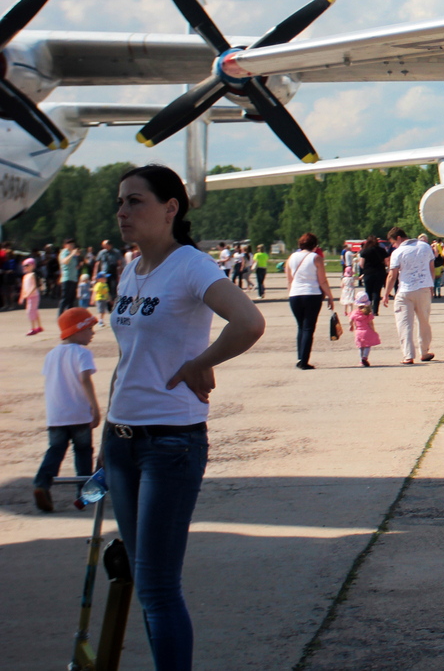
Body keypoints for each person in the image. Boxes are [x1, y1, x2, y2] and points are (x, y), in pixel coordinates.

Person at [104, 164, 265, 670]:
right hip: (120, 439)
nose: (123, 212)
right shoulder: (131, 269)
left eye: (136, 201)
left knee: (156, 586)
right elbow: (127, 358)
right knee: (140, 577)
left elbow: (249, 321)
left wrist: (202, 362)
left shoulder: (190, 265)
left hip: (169, 443)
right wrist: (103, 438)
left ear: (171, 208)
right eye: (121, 202)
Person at [33, 306, 102, 512]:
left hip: (56, 415)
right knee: (82, 451)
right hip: (79, 414)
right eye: (89, 329)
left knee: (55, 451)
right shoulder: (82, 353)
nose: (92, 333)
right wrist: (95, 408)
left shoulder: (52, 354)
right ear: (77, 330)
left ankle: (41, 484)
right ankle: (84, 493)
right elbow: (84, 380)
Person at [384, 227, 437, 365]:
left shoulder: (397, 252)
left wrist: (385, 294)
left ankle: (408, 355)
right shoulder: (425, 247)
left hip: (405, 291)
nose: (393, 246)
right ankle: (424, 351)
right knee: (424, 322)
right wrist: (431, 285)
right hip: (424, 288)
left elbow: (392, 275)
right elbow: (432, 267)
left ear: (399, 239)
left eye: (393, 243)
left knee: (404, 324)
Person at [285, 233, 334, 371]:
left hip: (295, 295)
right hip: (312, 294)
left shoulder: (291, 257)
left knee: (301, 326)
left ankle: (300, 357)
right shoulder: (316, 258)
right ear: (314, 245)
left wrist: (291, 292)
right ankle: (304, 361)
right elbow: (322, 280)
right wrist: (330, 296)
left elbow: (289, 279)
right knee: (308, 328)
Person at [349, 291, 381, 366]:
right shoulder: (368, 313)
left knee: (360, 347)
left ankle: (361, 361)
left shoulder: (354, 312)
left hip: (358, 332)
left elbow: (351, 320)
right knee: (367, 345)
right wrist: (373, 330)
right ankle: (365, 357)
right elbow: (370, 323)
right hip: (367, 331)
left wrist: (351, 326)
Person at [358, 236, 387, 316]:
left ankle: (368, 310)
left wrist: (366, 269)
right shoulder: (382, 250)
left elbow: (361, 264)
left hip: (368, 273)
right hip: (380, 273)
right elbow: (386, 262)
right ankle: (375, 311)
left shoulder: (365, 251)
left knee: (368, 292)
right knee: (377, 292)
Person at [56, 239, 80, 315]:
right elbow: (65, 261)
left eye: (73, 244)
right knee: (65, 299)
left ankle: (70, 317)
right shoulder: (64, 252)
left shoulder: (71, 253)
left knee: (71, 300)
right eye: (71, 244)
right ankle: (60, 316)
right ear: (66, 245)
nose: (72, 246)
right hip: (67, 278)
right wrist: (72, 254)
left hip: (73, 278)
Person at [20, 256, 42, 334]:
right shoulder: (25, 276)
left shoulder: (33, 275)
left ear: (32, 265)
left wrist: (28, 294)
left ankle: (33, 328)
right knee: (34, 311)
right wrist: (22, 297)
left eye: (27, 265)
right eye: (24, 266)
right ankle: (39, 327)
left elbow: (34, 286)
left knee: (30, 311)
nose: (25, 267)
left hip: (34, 296)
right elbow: (23, 288)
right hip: (29, 296)